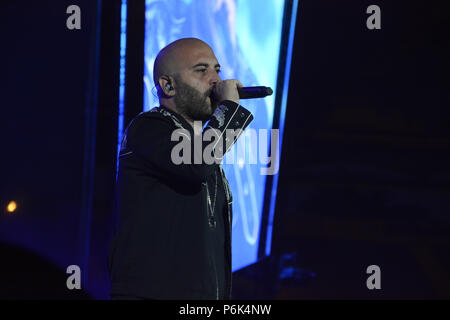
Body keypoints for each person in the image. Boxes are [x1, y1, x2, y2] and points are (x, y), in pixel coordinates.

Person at [108, 38, 254, 300]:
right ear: (168, 85)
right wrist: (229, 109)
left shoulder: (202, 147)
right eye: (201, 70)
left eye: (217, 69)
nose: (215, 80)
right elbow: (194, 165)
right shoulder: (149, 128)